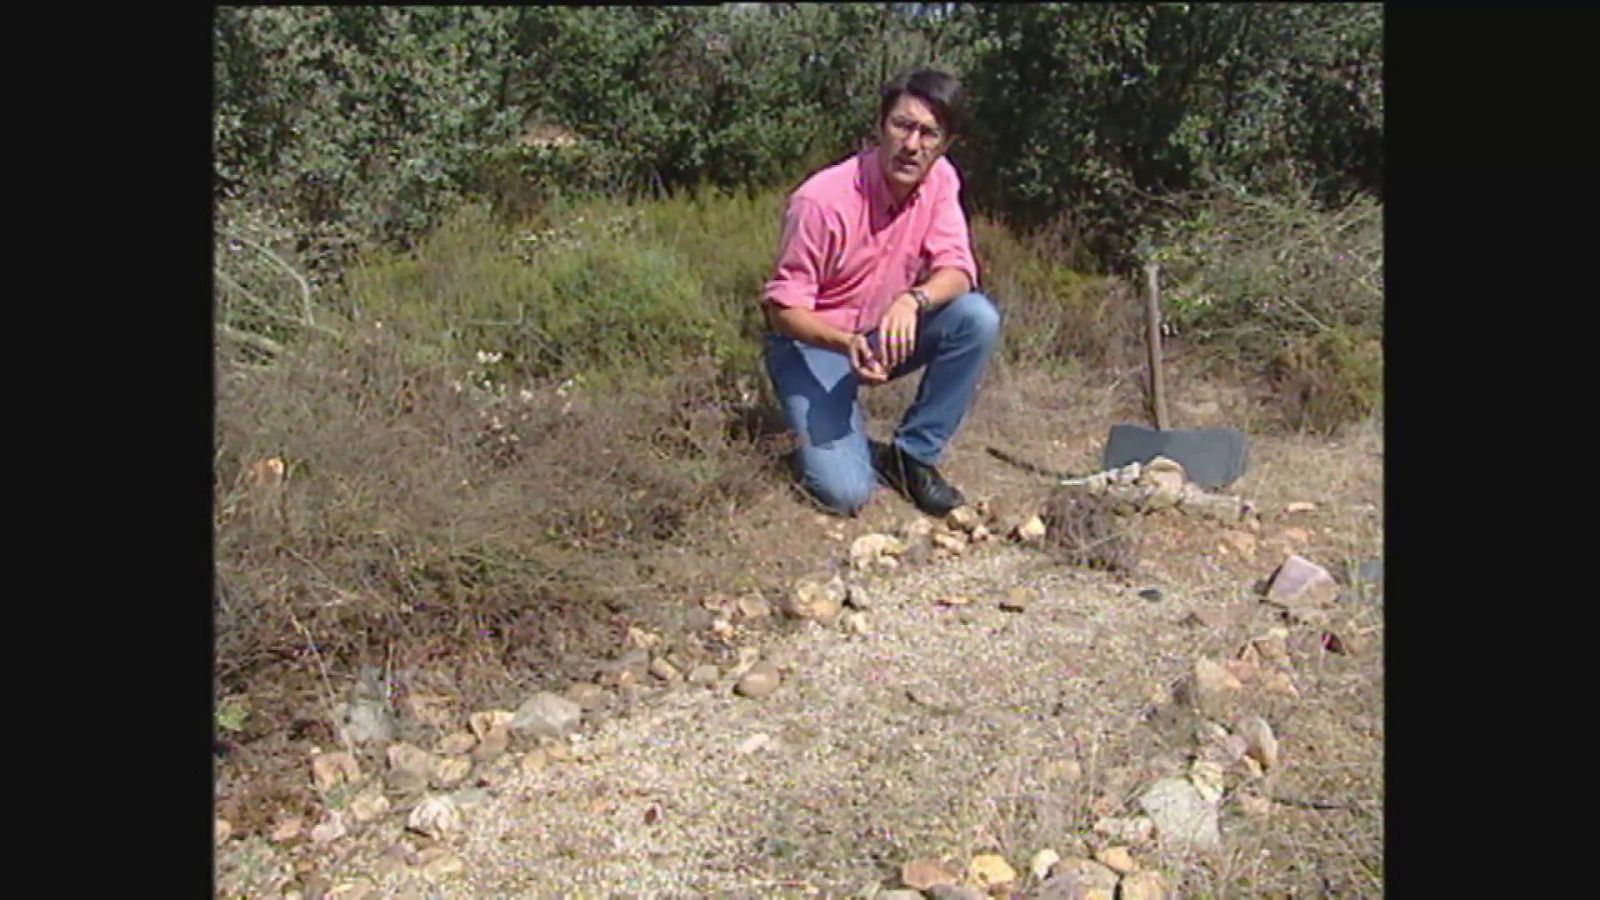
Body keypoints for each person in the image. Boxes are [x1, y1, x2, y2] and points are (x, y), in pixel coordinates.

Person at [761, 67, 1000, 517]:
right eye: (902, 126)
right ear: (879, 126)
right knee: (847, 493)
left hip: (881, 331)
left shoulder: (941, 180)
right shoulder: (821, 201)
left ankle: (912, 457)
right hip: (813, 343)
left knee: (976, 318)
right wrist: (845, 343)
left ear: (945, 143)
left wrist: (913, 300)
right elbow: (782, 309)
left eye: (929, 133)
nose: (912, 145)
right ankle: (827, 438)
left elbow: (959, 269)